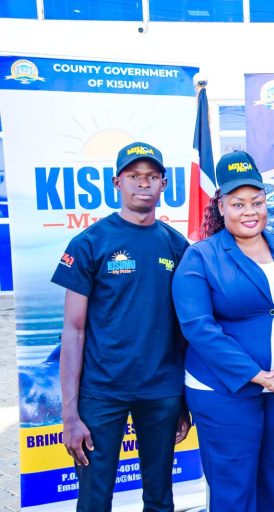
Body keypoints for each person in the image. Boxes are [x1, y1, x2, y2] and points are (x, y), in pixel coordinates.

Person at [172, 150, 274, 512]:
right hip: (223, 392)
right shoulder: (201, 257)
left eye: (257, 202)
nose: (249, 212)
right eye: (238, 204)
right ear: (221, 206)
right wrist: (257, 375)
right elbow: (199, 327)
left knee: (273, 481)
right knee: (234, 490)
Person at [52, 142, 190, 511]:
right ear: (117, 182)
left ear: (163, 184)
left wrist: (182, 400)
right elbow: (73, 331)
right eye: (134, 176)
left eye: (152, 176)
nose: (143, 183)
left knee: (160, 499)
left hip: (161, 392)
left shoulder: (178, 246)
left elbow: (186, 329)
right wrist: (69, 413)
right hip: (101, 392)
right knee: (94, 500)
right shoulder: (89, 243)